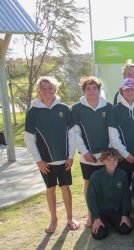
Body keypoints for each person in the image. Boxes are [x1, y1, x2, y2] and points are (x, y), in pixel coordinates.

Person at [24, 76, 80, 233]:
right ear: (39, 91)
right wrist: (38, 160)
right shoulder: (32, 112)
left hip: (64, 160)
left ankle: (70, 218)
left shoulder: (64, 109)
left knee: (65, 187)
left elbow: (72, 134)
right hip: (45, 162)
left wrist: (70, 156)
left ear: (56, 89)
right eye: (44, 88)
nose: (47, 91)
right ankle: (54, 220)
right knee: (50, 189)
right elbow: (29, 138)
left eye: (51, 88)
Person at [71, 76, 113, 227]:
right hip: (86, 156)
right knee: (88, 184)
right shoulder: (76, 108)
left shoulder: (108, 106)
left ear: (99, 89)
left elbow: (112, 131)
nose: (92, 91)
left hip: (105, 155)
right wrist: (85, 152)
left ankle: (105, 213)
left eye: (94, 88)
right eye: (88, 88)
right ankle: (91, 214)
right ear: (84, 90)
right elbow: (75, 133)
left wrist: (107, 152)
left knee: (106, 184)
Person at [87, 148, 132, 240]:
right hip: (101, 212)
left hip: (116, 210)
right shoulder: (96, 176)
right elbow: (91, 198)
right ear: (103, 161)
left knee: (125, 230)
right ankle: (104, 223)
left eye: (114, 160)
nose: (112, 162)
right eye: (108, 160)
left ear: (118, 160)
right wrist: (96, 218)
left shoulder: (123, 174)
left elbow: (126, 196)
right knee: (99, 235)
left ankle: (113, 221)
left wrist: (125, 215)